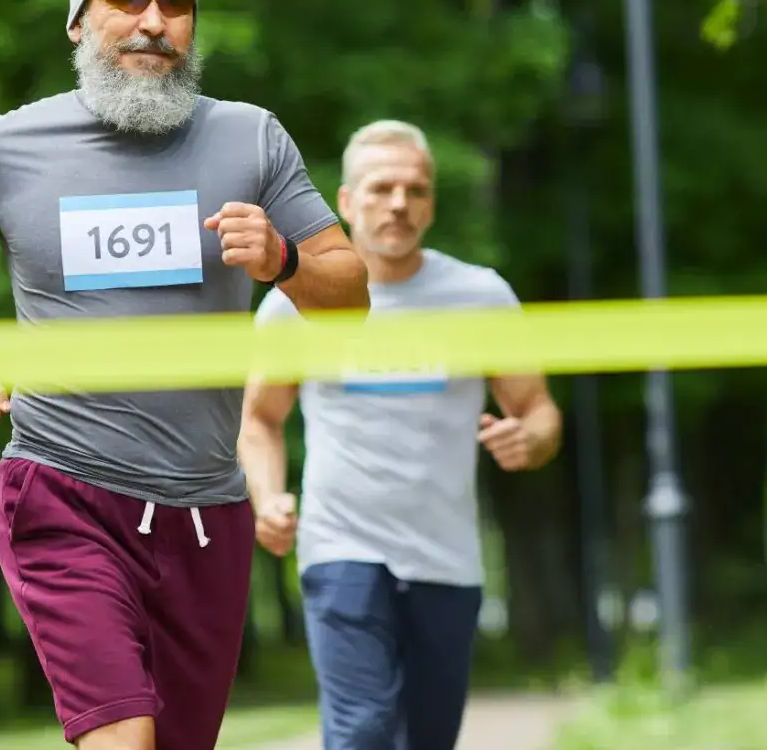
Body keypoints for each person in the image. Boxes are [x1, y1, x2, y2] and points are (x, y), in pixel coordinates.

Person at [0, 0, 369, 750]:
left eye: (176, 3)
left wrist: (281, 258)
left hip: (207, 512)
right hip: (64, 493)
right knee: (123, 736)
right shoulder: (0, 147)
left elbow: (350, 297)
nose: (153, 21)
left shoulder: (250, 139)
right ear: (78, 20)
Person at [240, 119, 564, 750]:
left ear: (432, 204)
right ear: (346, 201)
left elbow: (539, 410)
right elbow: (260, 419)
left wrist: (531, 439)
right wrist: (268, 497)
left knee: (427, 738)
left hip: (446, 558)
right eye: (381, 188)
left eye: (415, 190)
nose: (398, 203)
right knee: (361, 731)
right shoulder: (295, 303)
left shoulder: (479, 297)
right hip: (341, 548)